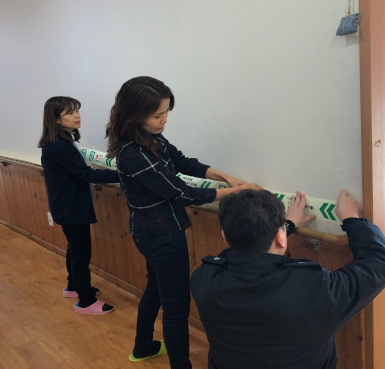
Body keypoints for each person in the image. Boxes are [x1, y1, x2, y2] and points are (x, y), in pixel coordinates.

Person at [105, 76, 260, 368]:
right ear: (135, 114)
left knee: (155, 288)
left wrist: (226, 177)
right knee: (176, 308)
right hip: (160, 234)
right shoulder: (134, 154)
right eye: (157, 115)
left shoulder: (150, 138)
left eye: (167, 112)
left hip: (153, 231)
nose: (164, 120)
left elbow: (183, 161)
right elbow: (182, 193)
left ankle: (143, 346)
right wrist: (236, 192)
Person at [191, 189, 385, 369]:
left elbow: (243, 257)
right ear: (280, 238)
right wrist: (352, 219)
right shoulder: (317, 289)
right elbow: (381, 261)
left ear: (224, 236)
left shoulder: (204, 279)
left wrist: (286, 226)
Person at [39, 96, 118, 315]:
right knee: (81, 252)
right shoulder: (58, 146)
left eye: (77, 111)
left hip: (66, 205)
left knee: (75, 248)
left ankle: (73, 286)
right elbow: (86, 174)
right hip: (71, 207)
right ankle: (86, 301)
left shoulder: (59, 142)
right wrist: (122, 174)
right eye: (70, 113)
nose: (77, 116)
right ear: (56, 119)